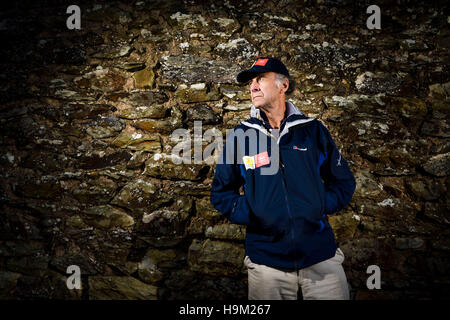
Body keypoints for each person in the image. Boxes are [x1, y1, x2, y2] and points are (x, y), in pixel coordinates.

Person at [210, 57, 356, 300]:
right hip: (266, 263)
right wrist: (257, 213)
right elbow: (221, 192)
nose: (253, 86)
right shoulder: (241, 136)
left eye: (260, 79)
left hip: (321, 257)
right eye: (250, 82)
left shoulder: (312, 130)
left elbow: (343, 181)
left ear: (283, 85)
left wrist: (318, 204)